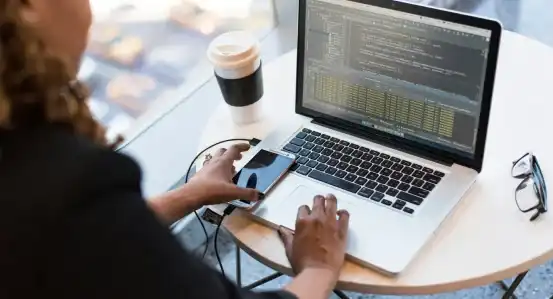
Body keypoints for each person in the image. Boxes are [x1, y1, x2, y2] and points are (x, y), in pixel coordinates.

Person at [0, 1, 351, 298]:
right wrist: (318, 269)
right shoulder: (71, 182)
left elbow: (82, 240)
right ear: (28, 10)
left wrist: (188, 195)